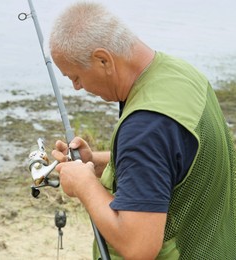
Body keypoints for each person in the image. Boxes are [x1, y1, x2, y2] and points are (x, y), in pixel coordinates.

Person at [49, 2, 236, 259]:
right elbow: (169, 163)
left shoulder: (146, 128)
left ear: (103, 59)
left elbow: (139, 246)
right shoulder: (181, 74)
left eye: (75, 76)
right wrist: (94, 162)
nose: (77, 87)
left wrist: (85, 185)